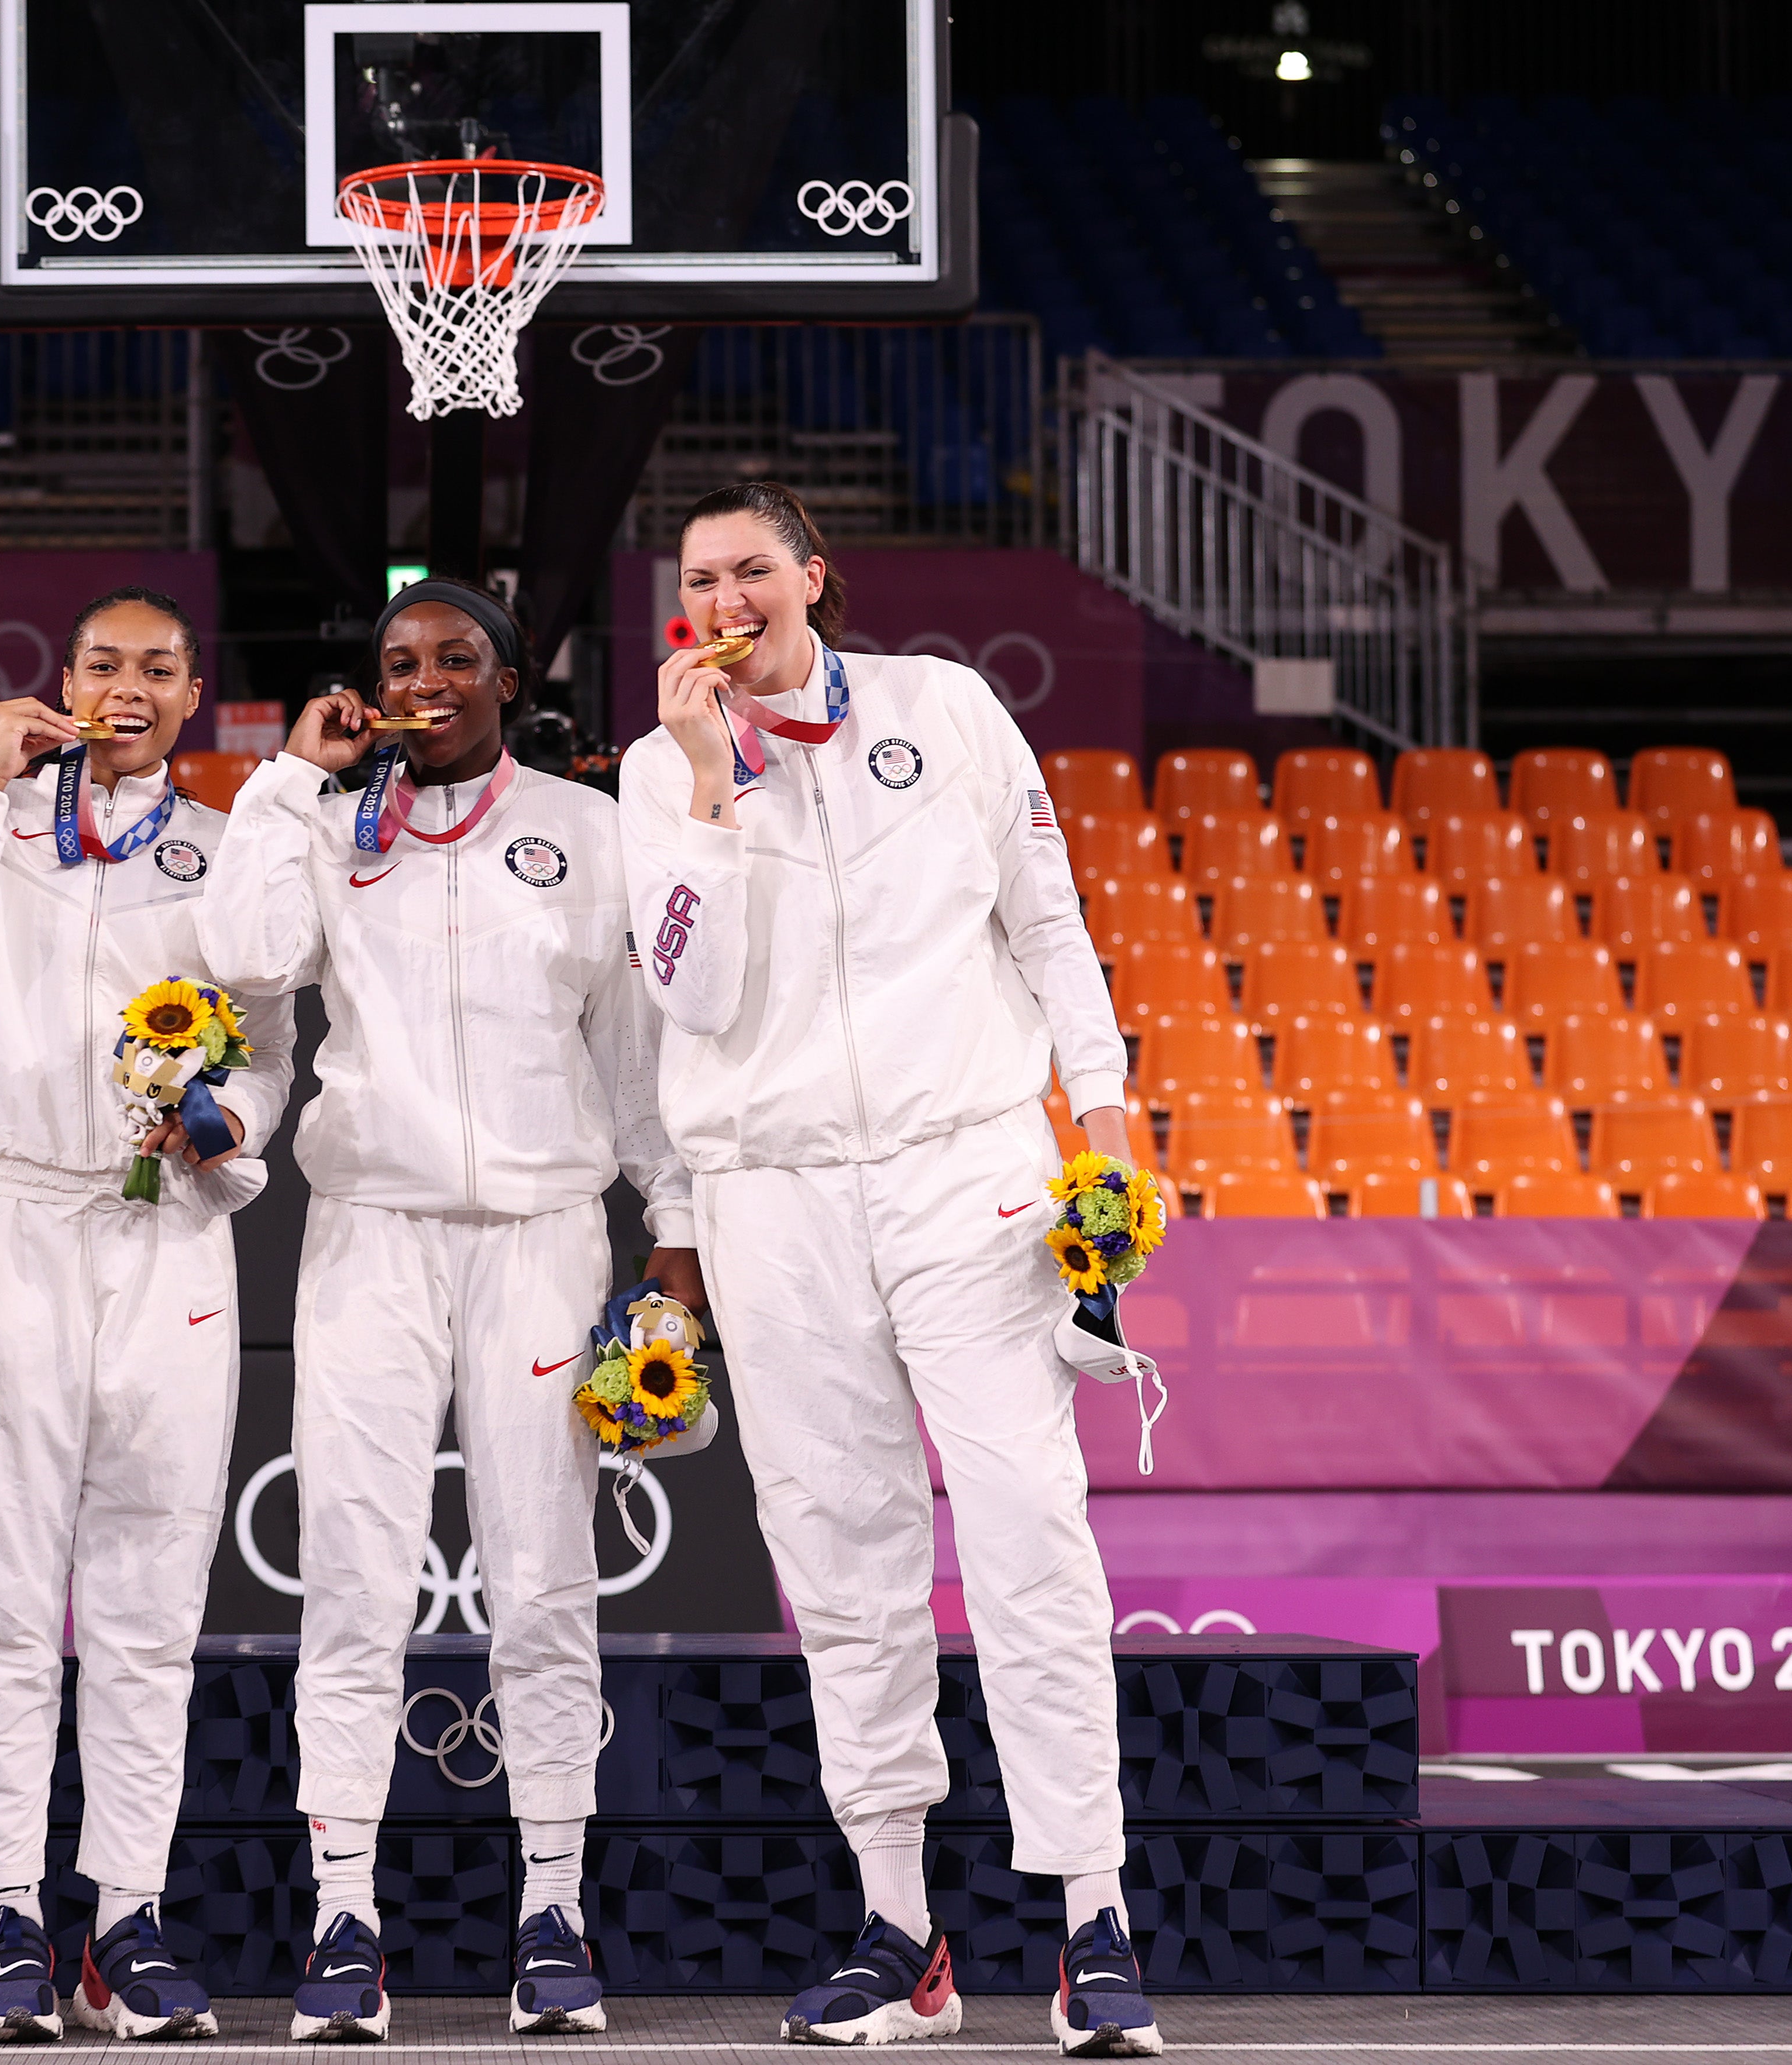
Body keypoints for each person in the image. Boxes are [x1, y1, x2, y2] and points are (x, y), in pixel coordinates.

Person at [615, 482, 1161, 2057]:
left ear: (812, 579)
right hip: (774, 1197)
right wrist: (716, 794)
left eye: (752, 570)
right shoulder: (662, 773)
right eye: (699, 580)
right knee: (843, 1561)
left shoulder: (946, 707)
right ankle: (900, 1926)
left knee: (1029, 1531)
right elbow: (694, 1002)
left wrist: (1104, 1120)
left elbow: (1048, 922)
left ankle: (1094, 1916)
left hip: (968, 1169)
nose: (726, 598)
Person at [197, 578, 704, 2044]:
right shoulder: (331, 827)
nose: (425, 679)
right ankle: (343, 1914)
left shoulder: (588, 831)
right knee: (350, 1577)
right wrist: (300, 774)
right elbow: (239, 956)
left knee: (543, 1582)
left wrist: (667, 1240)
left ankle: (551, 1908)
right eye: (398, 661)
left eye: (454, 658)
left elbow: (636, 1060)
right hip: (367, 1235)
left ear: (506, 675)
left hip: (545, 1236)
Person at [0, 585, 297, 2043]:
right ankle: (5, 1916)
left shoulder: (218, 850)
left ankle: (122, 1918)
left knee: (147, 1605)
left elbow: (270, 1043)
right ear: (61, 680)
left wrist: (229, 1122)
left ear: (193, 694)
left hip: (165, 1230)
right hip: (3, 1219)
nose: (127, 688)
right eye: (102, 666)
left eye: (156, 669)